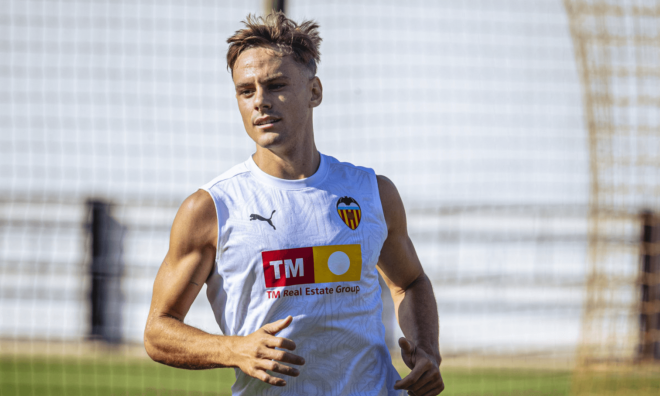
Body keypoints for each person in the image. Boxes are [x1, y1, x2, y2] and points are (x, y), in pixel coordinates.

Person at [144, 12, 444, 396]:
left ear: (314, 91)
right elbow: (158, 331)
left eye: (276, 85)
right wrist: (233, 349)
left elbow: (411, 283)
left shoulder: (373, 192)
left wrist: (428, 352)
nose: (260, 102)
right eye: (245, 91)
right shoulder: (210, 208)